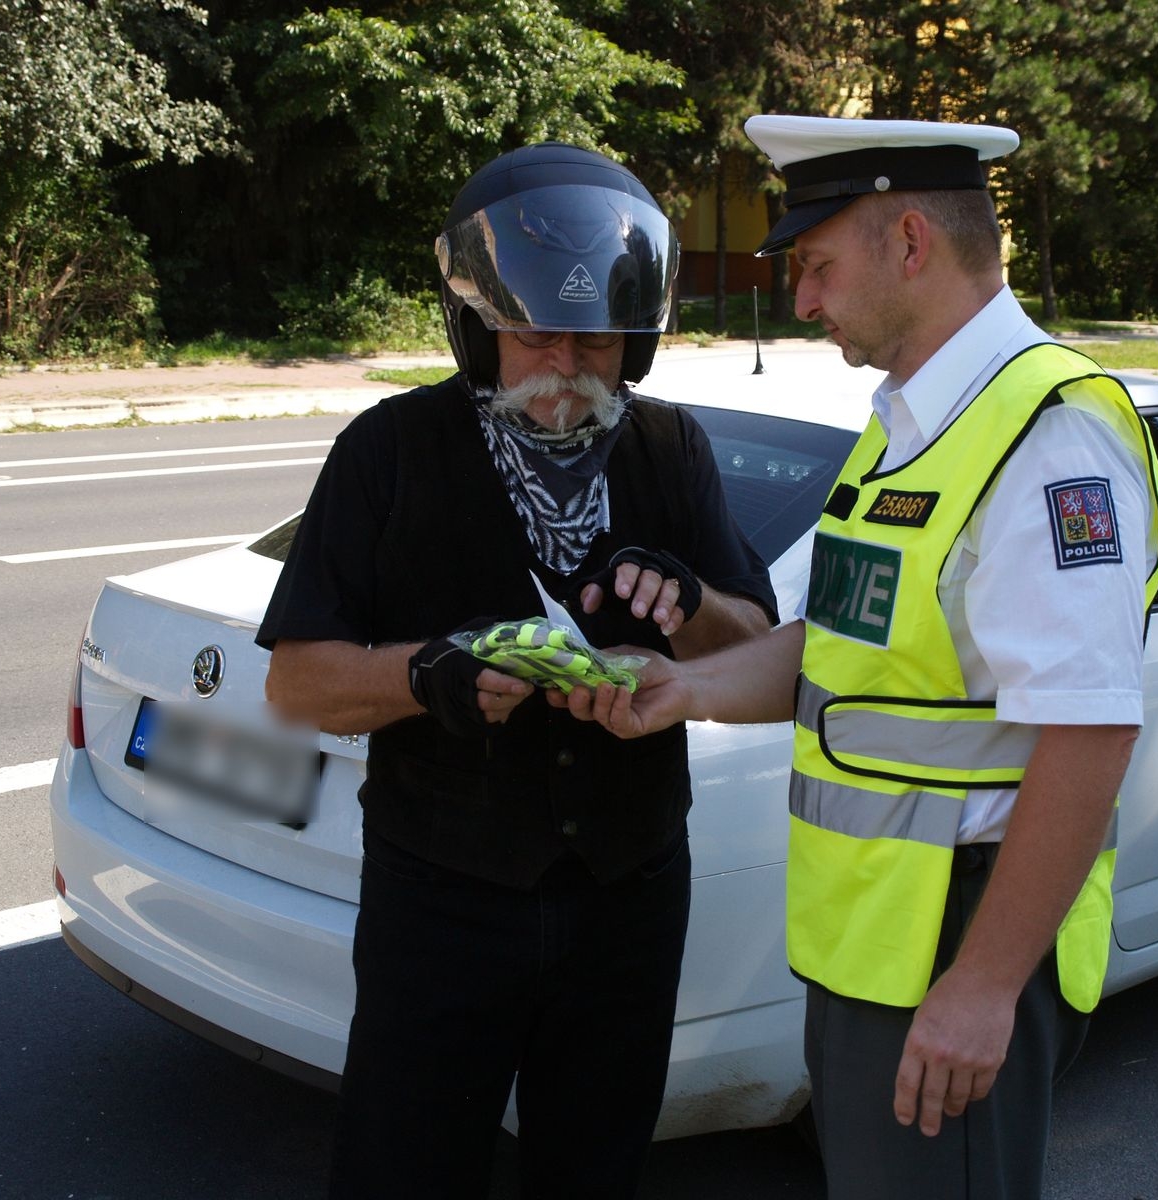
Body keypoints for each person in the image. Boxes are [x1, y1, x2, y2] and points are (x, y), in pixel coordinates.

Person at [558, 115, 1158, 1200]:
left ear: (910, 243)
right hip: (874, 952)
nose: (801, 300)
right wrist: (685, 687)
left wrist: (982, 986)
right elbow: (834, 647)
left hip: (958, 946)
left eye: (815, 265)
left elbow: (1090, 730)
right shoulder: (910, 425)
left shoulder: (1046, 439)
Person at [256, 142, 777, 1198]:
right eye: (535, 332)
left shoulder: (670, 450)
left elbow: (757, 645)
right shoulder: (389, 452)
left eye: (595, 338)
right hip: (444, 903)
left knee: (594, 1169)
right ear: (477, 329)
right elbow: (296, 684)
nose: (565, 362)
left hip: (628, 897)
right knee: (403, 1167)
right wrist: (426, 676)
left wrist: (687, 599)